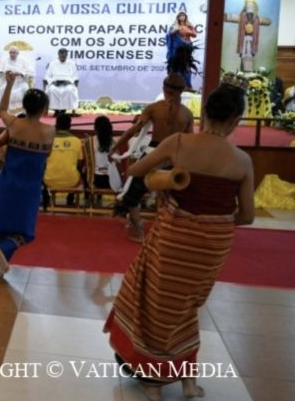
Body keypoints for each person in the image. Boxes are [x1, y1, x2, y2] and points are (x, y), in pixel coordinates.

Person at [104, 83, 254, 400]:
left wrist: (165, 175)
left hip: (174, 239)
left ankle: (153, 381)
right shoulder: (242, 161)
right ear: (235, 120)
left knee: (156, 306)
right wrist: (210, 222)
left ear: (204, 112)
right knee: (185, 306)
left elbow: (137, 170)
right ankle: (187, 382)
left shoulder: (180, 143)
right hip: (212, 247)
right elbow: (247, 216)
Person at [0, 72, 54, 280]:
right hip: (30, 188)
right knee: (24, 229)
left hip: (7, 183)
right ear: (44, 109)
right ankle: (4, 249)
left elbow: (2, 110)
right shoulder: (49, 131)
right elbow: (47, 155)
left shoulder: (13, 125)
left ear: (24, 106)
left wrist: (9, 84)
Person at [110, 73, 194, 242]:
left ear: (164, 88)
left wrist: (115, 148)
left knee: (131, 195)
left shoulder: (154, 108)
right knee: (172, 197)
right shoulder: (187, 114)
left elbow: (134, 130)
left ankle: (138, 230)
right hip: (175, 156)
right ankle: (168, 231)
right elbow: (189, 141)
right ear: (182, 91)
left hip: (153, 153)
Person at [43, 113, 84, 204]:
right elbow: (80, 164)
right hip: (71, 181)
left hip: (49, 179)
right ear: (69, 126)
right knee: (80, 174)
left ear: (56, 125)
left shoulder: (47, 140)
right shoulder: (77, 141)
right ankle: (71, 196)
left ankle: (45, 195)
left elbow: (42, 161)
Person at [0, 46, 34, 113]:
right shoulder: (4, 61)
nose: (12, 54)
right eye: (10, 53)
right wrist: (5, 73)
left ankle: (24, 111)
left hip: (20, 83)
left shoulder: (23, 61)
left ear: (18, 53)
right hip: (7, 83)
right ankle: (2, 110)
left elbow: (31, 72)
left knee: (25, 88)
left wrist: (20, 73)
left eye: (14, 53)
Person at [44, 48, 79, 116]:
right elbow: (47, 76)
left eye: (64, 56)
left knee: (69, 90)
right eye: (61, 55)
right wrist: (52, 82)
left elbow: (75, 76)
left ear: (66, 55)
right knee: (52, 90)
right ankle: (56, 110)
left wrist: (69, 81)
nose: (63, 57)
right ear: (58, 55)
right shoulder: (52, 63)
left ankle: (63, 110)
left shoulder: (72, 63)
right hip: (55, 82)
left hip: (68, 82)